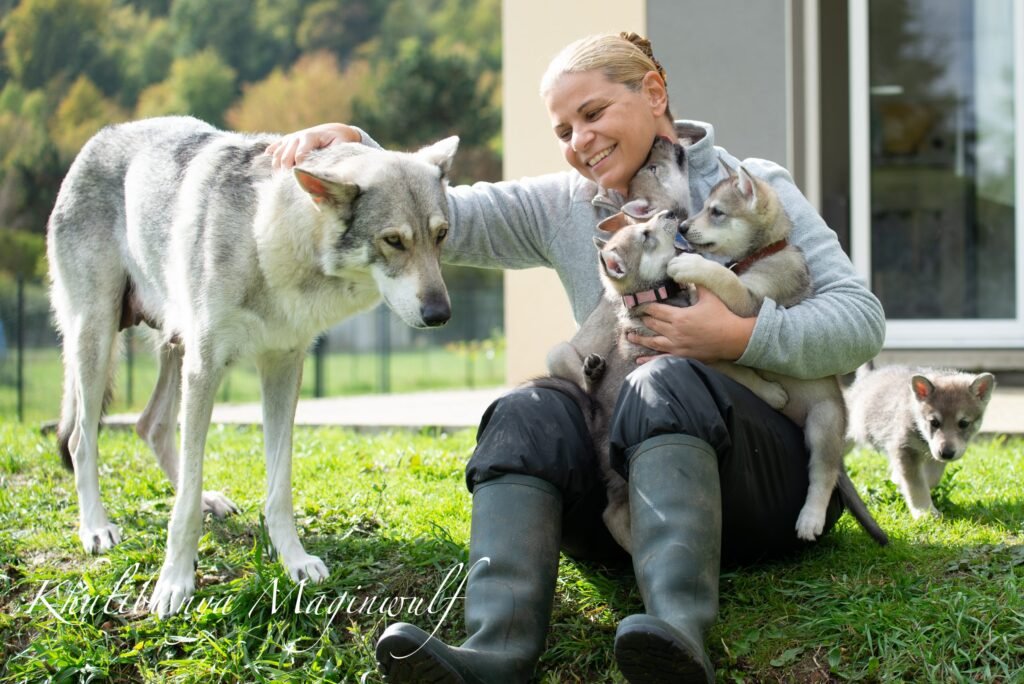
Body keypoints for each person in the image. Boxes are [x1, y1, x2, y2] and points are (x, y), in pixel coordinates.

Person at [268, 32, 885, 684]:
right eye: (564, 128)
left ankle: (677, 638)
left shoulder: (752, 189)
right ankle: (494, 653)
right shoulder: (562, 203)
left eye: (593, 115)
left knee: (664, 379)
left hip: (762, 487)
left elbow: (858, 321)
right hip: (628, 488)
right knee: (525, 410)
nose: (578, 140)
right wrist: (355, 150)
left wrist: (736, 337)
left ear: (652, 93)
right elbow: (429, 206)